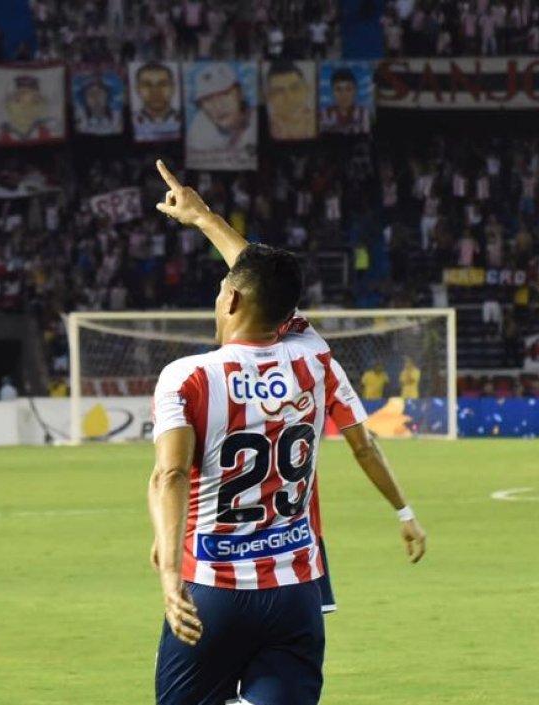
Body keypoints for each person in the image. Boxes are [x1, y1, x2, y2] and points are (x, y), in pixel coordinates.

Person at [149, 160, 426, 705]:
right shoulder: (314, 358)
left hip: (215, 587)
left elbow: (170, 473)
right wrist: (204, 218)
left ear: (229, 300)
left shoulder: (188, 377)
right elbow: (264, 281)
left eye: (222, 289)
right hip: (296, 590)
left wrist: (168, 569)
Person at [190, 63, 258, 151]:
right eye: (207, 99)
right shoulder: (199, 128)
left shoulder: (258, 121)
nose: (218, 106)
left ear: (240, 94)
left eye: (224, 94)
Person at [264, 61, 315, 140]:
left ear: (307, 89)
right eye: (279, 91)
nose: (289, 98)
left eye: (295, 88)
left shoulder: (322, 124)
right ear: (269, 98)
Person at [133, 62, 180, 139]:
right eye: (147, 85)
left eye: (163, 84)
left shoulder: (186, 120)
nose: (155, 92)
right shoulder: (131, 121)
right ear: (137, 89)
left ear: (173, 88)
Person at [320, 67, 370, 134]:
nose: (343, 94)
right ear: (332, 92)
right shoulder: (324, 114)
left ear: (355, 91)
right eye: (338, 89)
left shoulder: (364, 113)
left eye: (348, 89)